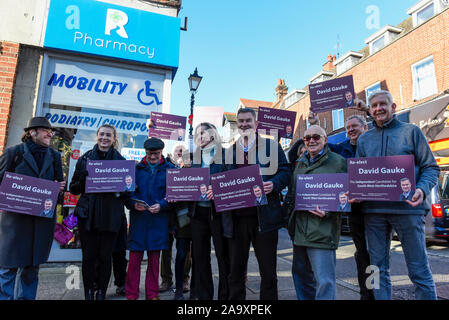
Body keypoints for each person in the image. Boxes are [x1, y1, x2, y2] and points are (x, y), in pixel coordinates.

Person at [353, 90, 440, 300]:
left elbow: (431, 168)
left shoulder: (411, 132)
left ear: (393, 107)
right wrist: (356, 191)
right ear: (370, 111)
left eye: (383, 104)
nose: (378, 108)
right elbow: (359, 174)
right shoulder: (364, 140)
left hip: (408, 210)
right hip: (373, 213)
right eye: (373, 106)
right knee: (375, 270)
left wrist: (421, 189)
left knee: (419, 270)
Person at [222, 108, 290, 300]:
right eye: (241, 121)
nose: (244, 124)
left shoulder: (272, 147)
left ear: (256, 124)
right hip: (236, 220)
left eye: (248, 121)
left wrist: (273, 184)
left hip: (265, 218)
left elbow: (286, 173)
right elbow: (222, 179)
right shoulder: (230, 151)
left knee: (268, 272)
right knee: (236, 271)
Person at [309, 110, 374, 300]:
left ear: (365, 127)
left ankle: (376, 292)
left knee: (377, 256)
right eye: (348, 128)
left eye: (355, 126)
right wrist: (315, 123)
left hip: (376, 209)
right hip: (355, 211)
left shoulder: (374, 146)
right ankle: (366, 294)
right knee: (362, 254)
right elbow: (321, 144)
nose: (351, 130)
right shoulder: (342, 148)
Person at [0, 117, 65, 300]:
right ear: (32, 132)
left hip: (40, 224)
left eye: (50, 131)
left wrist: (58, 189)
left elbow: (59, 193)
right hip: (15, 222)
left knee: (31, 270)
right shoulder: (13, 153)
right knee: (8, 268)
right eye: (45, 130)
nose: (50, 134)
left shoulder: (55, 157)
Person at [69, 124, 131, 300]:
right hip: (87, 214)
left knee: (105, 256)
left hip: (111, 215)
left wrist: (123, 190)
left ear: (114, 139)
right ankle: (89, 291)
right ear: (97, 136)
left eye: (108, 135)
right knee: (88, 256)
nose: (104, 138)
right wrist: (82, 179)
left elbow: (127, 191)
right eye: (102, 134)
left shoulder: (121, 162)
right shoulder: (84, 159)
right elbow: (73, 189)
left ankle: (101, 291)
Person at [285, 125, 347, 300]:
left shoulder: (338, 162)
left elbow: (348, 195)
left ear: (325, 140)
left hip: (322, 231)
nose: (311, 140)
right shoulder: (301, 163)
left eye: (316, 137)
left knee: (324, 282)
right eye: (307, 138)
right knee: (302, 279)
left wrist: (328, 211)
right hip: (299, 231)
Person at [126, 137, 175, 300]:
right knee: (134, 262)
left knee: (154, 262)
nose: (152, 157)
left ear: (161, 152)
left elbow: (174, 195)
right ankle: (131, 295)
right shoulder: (134, 169)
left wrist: (162, 205)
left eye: (155, 154)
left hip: (158, 221)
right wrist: (133, 204)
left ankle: (152, 294)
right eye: (149, 154)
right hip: (139, 221)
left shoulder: (171, 169)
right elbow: (127, 194)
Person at [188, 122, 231, 300]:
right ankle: (204, 296)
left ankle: (224, 296)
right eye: (196, 134)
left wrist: (218, 190)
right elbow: (189, 183)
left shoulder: (227, 155)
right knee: (200, 258)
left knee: (223, 257)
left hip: (219, 213)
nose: (199, 136)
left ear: (213, 134)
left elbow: (232, 181)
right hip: (198, 214)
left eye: (203, 133)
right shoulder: (194, 159)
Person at [160, 143, 191, 294]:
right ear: (173, 154)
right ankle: (166, 279)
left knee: (184, 250)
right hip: (167, 214)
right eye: (178, 150)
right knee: (165, 249)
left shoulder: (190, 168)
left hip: (184, 214)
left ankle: (184, 279)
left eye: (183, 150)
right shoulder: (166, 167)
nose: (180, 152)